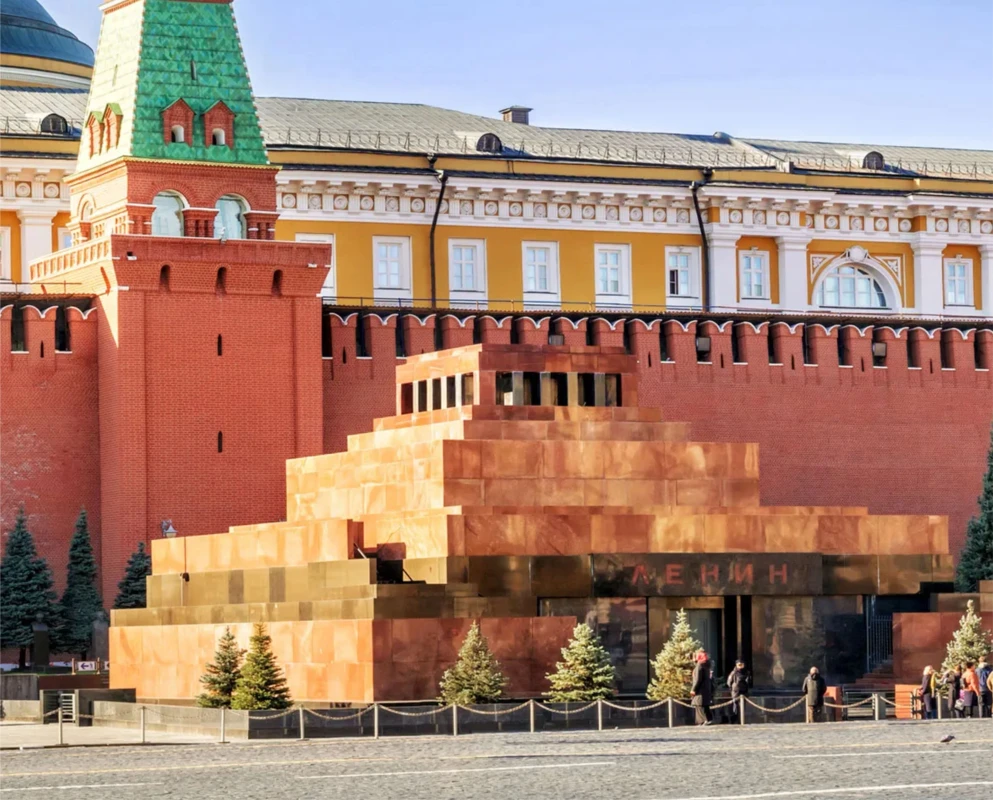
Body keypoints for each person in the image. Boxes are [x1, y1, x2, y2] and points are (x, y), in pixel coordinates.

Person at [690, 650, 714, 725]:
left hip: (700, 690)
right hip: (706, 689)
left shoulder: (699, 665)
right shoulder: (706, 665)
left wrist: (693, 689)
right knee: (705, 705)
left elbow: (697, 679)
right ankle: (709, 719)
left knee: (699, 705)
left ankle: (703, 720)